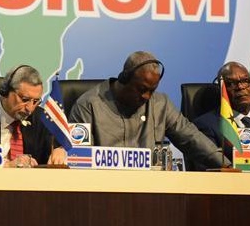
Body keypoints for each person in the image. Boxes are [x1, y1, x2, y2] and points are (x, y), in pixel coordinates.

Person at [68, 51, 227, 170]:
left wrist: (227, 166)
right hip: (103, 189)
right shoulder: (89, 105)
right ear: (124, 78)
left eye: (152, 90)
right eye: (142, 89)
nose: (147, 96)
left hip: (150, 189)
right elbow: (79, 159)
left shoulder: (160, 104)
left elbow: (191, 138)